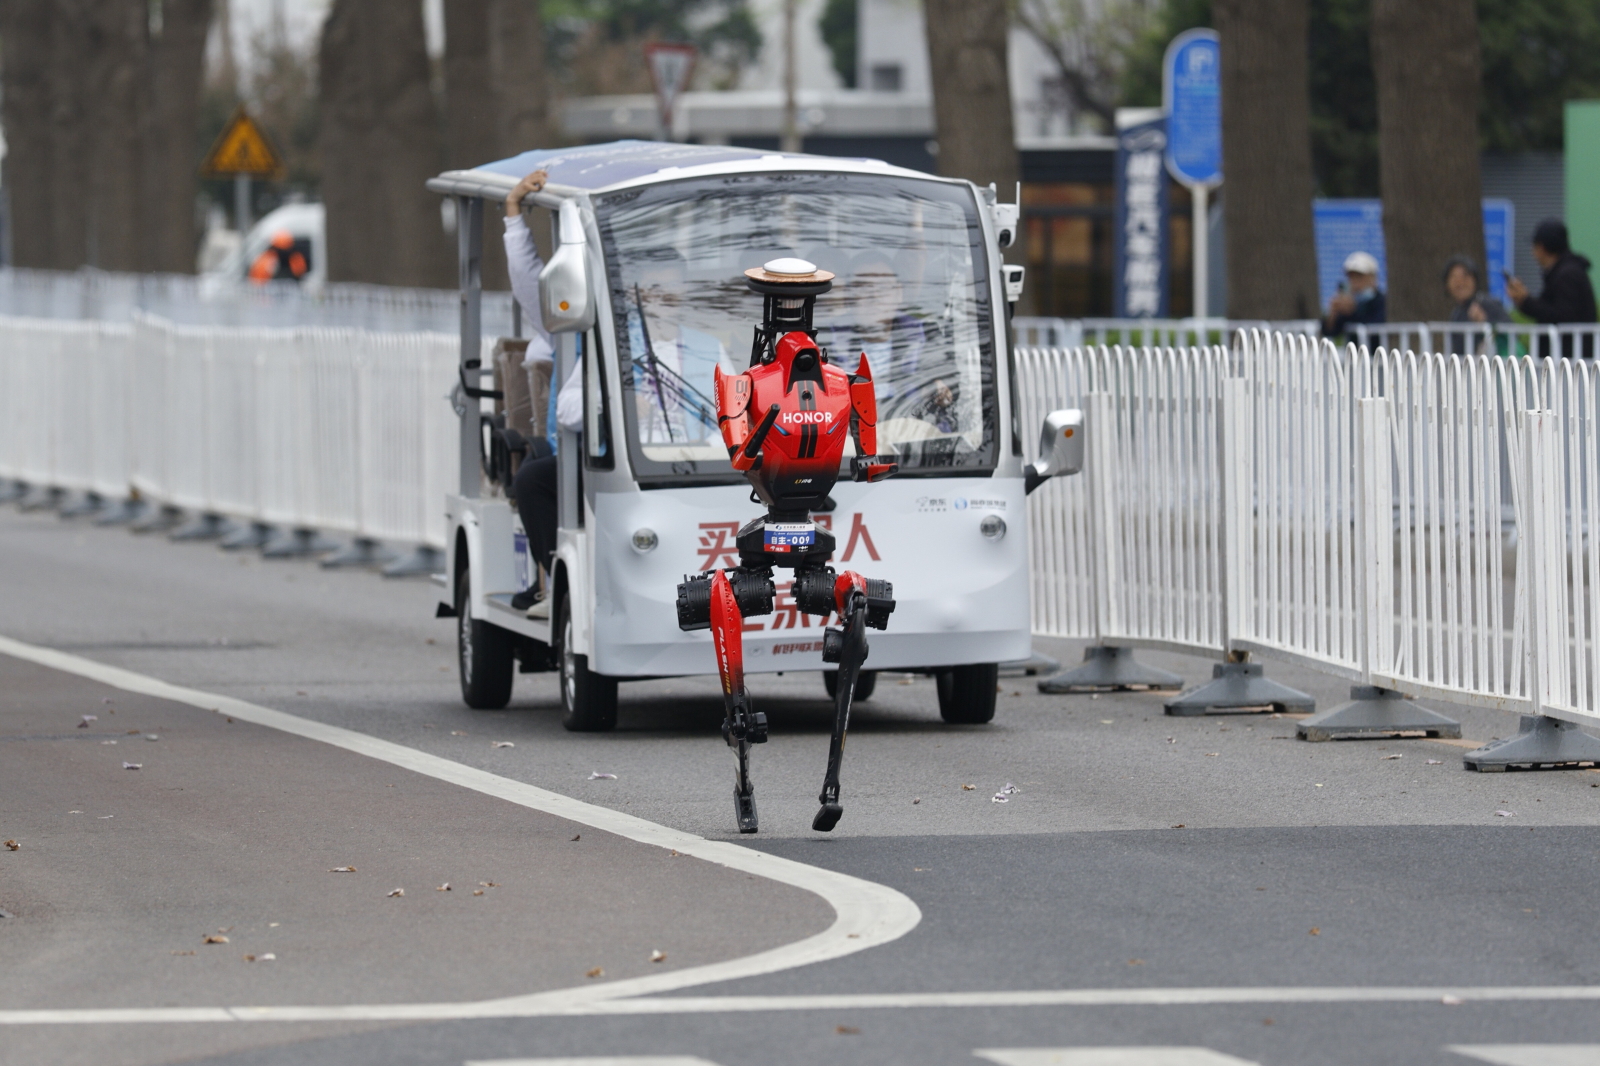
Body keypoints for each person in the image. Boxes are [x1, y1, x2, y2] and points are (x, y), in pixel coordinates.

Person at [503, 168, 583, 617]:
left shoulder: (698, 344)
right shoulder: (576, 325)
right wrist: (514, 211)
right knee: (533, 479)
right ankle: (554, 580)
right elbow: (527, 281)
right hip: (591, 454)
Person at [1505, 219, 1597, 358]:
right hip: (1568, 357)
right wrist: (1523, 301)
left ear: (1541, 248)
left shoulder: (1566, 275)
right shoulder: (1565, 272)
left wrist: (1526, 301)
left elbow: (1562, 315)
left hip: (1569, 360)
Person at [1322, 251, 1386, 340]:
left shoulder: (1382, 301)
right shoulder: (1348, 302)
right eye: (1351, 277)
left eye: (1359, 276)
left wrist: (1353, 311)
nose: (1354, 281)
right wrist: (1333, 313)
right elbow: (1330, 331)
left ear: (1372, 277)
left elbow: (1376, 326)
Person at [1444, 255, 1509, 324]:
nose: (1460, 282)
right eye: (1454, 277)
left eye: (1465, 276)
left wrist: (1484, 321)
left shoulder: (1489, 305)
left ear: (1475, 280)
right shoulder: (1456, 313)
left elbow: (1509, 329)